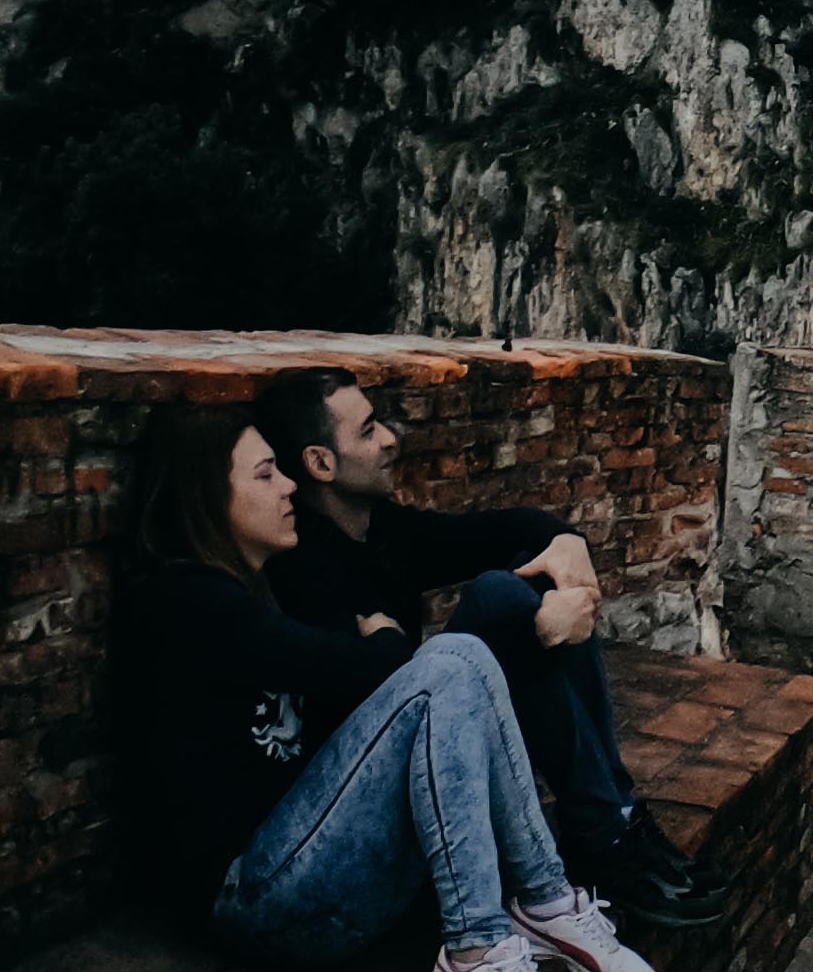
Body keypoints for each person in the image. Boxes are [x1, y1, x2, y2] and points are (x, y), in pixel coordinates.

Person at [120, 408, 653, 972]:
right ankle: (480, 947)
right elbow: (360, 667)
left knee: (467, 655)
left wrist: (391, 642)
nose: (288, 487)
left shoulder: (257, 586)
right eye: (265, 475)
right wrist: (387, 644)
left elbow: (370, 664)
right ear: (206, 496)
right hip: (259, 902)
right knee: (451, 664)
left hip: (312, 865)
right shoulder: (186, 600)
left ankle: (542, 901)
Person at [251, 368, 720, 932]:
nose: (390, 440)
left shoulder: (383, 531)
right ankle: (603, 833)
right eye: (369, 430)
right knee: (502, 598)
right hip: (376, 803)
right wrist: (539, 632)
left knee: (536, 584)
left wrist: (566, 546)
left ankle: (612, 821)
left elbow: (504, 529)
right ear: (321, 463)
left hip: (438, 769)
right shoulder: (302, 567)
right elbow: (383, 695)